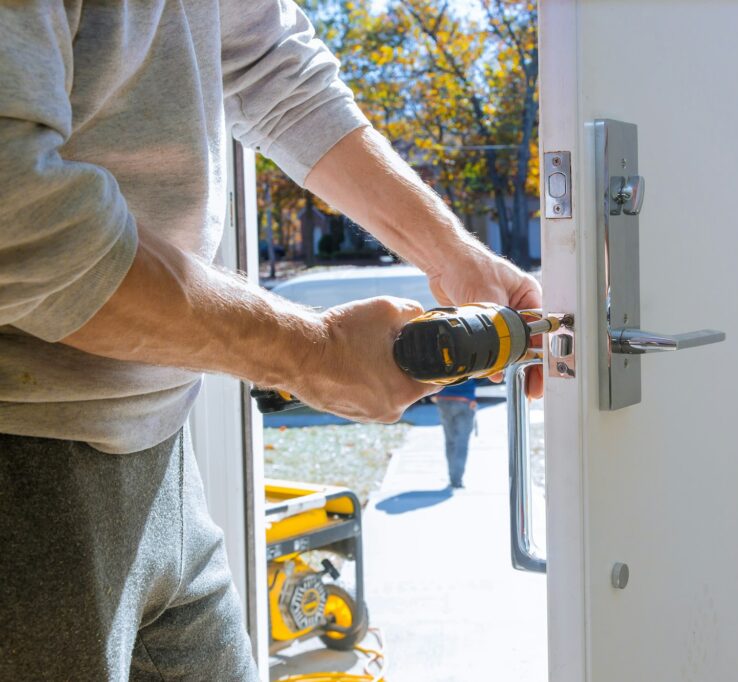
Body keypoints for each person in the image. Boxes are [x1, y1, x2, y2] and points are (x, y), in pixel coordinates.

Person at [0, 3, 541, 679]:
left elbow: (275, 67)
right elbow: (18, 218)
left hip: (165, 461)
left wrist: (452, 255)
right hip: (24, 475)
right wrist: (313, 353)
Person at [434, 381, 478, 489]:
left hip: (444, 398)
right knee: (461, 443)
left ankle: (452, 477)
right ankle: (456, 480)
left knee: (450, 442)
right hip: (465, 400)